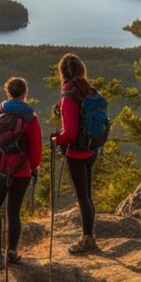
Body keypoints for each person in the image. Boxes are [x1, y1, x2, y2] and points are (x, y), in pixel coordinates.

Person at [0, 77, 42, 271]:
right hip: (21, 170)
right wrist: (32, 167)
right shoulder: (30, 117)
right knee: (13, 211)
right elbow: (36, 149)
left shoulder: (1, 110)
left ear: (8, 92)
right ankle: (12, 252)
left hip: (1, 167)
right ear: (25, 93)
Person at [51, 53, 100, 255]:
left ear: (62, 73)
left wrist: (57, 139)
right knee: (87, 195)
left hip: (77, 153)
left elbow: (70, 134)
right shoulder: (89, 90)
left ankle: (88, 239)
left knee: (83, 196)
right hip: (91, 148)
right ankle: (89, 235)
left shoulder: (69, 96)